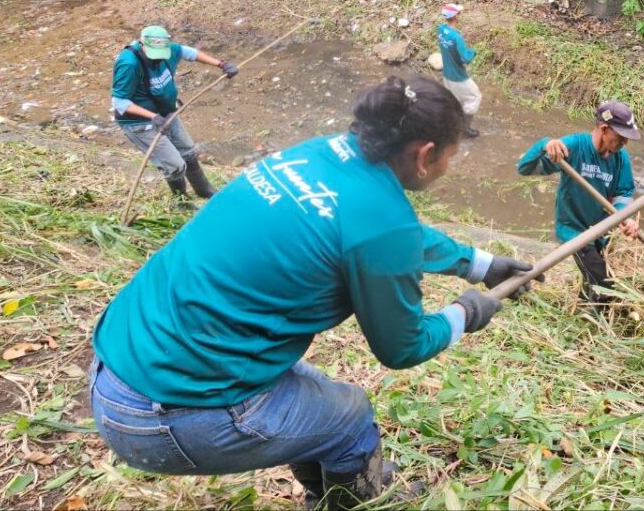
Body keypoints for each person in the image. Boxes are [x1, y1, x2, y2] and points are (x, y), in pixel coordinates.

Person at [88, 75, 537, 509]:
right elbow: (403, 346)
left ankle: (334, 483)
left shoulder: (318, 153)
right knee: (351, 416)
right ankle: (352, 501)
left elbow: (386, 235)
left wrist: (479, 264)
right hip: (167, 414)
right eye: (450, 157)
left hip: (121, 361)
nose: (446, 167)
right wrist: (465, 314)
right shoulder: (381, 221)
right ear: (425, 154)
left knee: (320, 395)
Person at [517, 101, 641, 305]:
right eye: (621, 137)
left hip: (603, 230)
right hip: (575, 231)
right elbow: (524, 168)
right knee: (604, 284)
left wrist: (624, 218)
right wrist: (544, 145)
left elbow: (624, 192)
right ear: (604, 129)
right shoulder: (573, 147)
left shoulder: (620, 158)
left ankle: (584, 306)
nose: (624, 143)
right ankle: (597, 318)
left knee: (595, 276)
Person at [111, 25, 238, 199]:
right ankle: (181, 200)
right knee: (174, 165)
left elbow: (189, 53)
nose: (158, 58)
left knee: (187, 150)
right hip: (139, 122)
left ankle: (203, 189)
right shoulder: (129, 63)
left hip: (165, 112)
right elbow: (119, 102)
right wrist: (153, 117)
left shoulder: (169, 49)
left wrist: (222, 64)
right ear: (142, 45)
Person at [436, 3, 482, 138]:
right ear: (456, 17)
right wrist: (473, 52)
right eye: (458, 13)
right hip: (458, 76)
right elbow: (466, 59)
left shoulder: (440, 30)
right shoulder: (457, 37)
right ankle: (464, 129)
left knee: (456, 98)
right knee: (475, 97)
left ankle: (451, 124)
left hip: (447, 74)